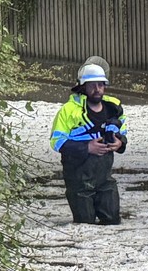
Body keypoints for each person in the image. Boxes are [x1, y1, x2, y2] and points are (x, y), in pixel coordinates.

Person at [51, 62, 128, 225]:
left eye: (100, 85)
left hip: (104, 180)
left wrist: (119, 143)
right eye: (92, 85)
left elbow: (122, 132)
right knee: (84, 223)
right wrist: (87, 147)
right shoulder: (68, 111)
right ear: (83, 87)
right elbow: (57, 142)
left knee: (113, 221)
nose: (97, 89)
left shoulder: (113, 108)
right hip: (79, 180)